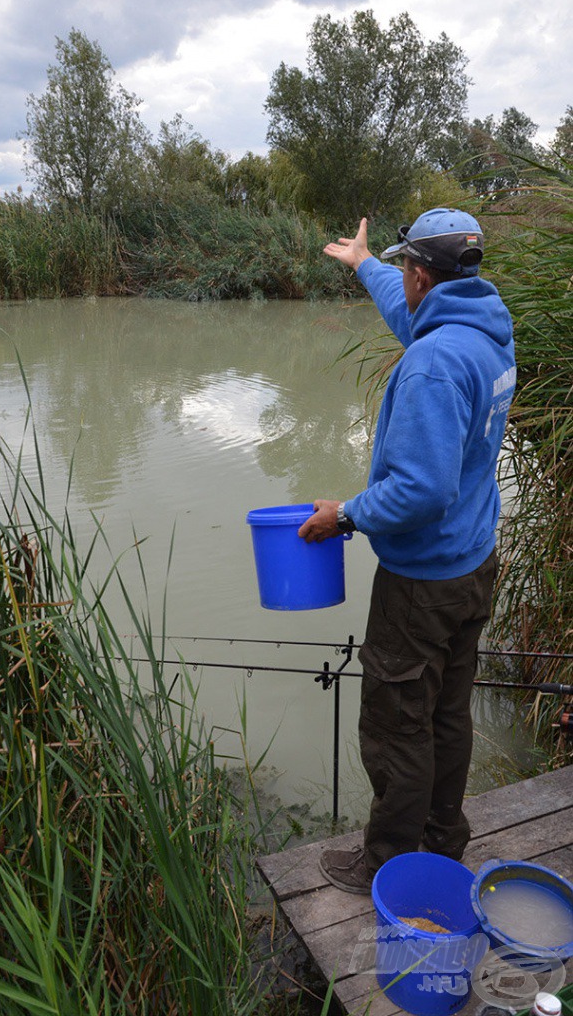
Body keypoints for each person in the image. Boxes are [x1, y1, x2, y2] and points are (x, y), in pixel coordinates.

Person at [298, 208, 516, 894]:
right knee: (447, 717)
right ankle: (442, 839)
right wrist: (365, 264)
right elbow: (413, 314)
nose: (403, 282)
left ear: (422, 273)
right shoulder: (484, 328)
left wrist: (347, 516)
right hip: (473, 563)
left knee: (397, 726)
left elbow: (420, 491)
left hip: (421, 581)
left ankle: (388, 861)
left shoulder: (432, 364)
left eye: (402, 270)